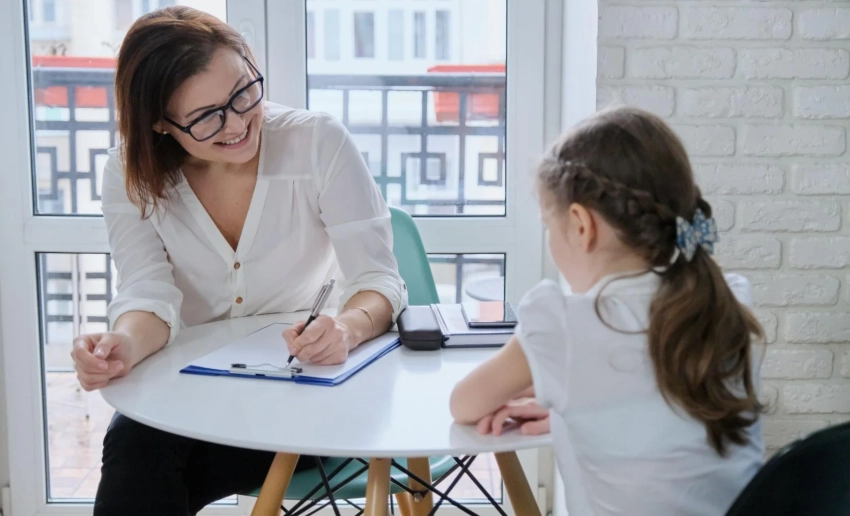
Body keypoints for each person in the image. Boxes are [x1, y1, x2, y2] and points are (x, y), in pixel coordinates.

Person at [68, 7, 407, 515]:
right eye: (207, 117)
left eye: (245, 92)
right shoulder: (127, 171)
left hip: (305, 388)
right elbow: (147, 291)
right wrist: (125, 343)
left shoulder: (318, 143)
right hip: (191, 389)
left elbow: (379, 278)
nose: (240, 123)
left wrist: (347, 328)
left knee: (149, 468)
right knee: (137, 450)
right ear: (160, 123)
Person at [450, 107, 765, 516]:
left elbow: (464, 404)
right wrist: (573, 404)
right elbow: (665, 416)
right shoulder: (729, 303)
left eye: (549, 224)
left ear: (582, 226)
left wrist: (562, 386)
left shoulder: (562, 327)